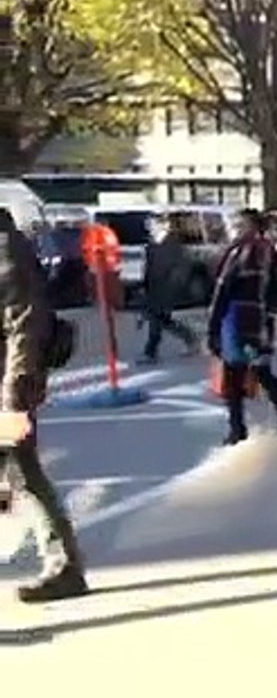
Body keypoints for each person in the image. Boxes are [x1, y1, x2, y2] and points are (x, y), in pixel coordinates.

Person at [0, 207, 88, 603]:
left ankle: (65, 565)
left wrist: (16, 390)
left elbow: (26, 320)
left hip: (8, 385)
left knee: (21, 467)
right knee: (19, 471)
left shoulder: (5, 247)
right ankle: (64, 563)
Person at [207, 208, 277, 446]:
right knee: (260, 369)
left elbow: (223, 288)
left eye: (238, 224)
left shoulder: (240, 251)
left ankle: (238, 428)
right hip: (260, 318)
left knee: (234, 373)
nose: (234, 228)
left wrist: (213, 326)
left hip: (237, 317)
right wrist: (270, 313)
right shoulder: (269, 251)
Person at [138, 214, 199, 364]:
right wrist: (144, 286)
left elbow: (183, 268)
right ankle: (190, 338)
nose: (150, 228)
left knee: (156, 319)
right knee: (161, 319)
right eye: (149, 225)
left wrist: (175, 286)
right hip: (154, 288)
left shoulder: (174, 245)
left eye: (152, 224)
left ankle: (150, 352)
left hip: (169, 288)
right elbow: (148, 269)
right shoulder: (151, 246)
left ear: (163, 226)